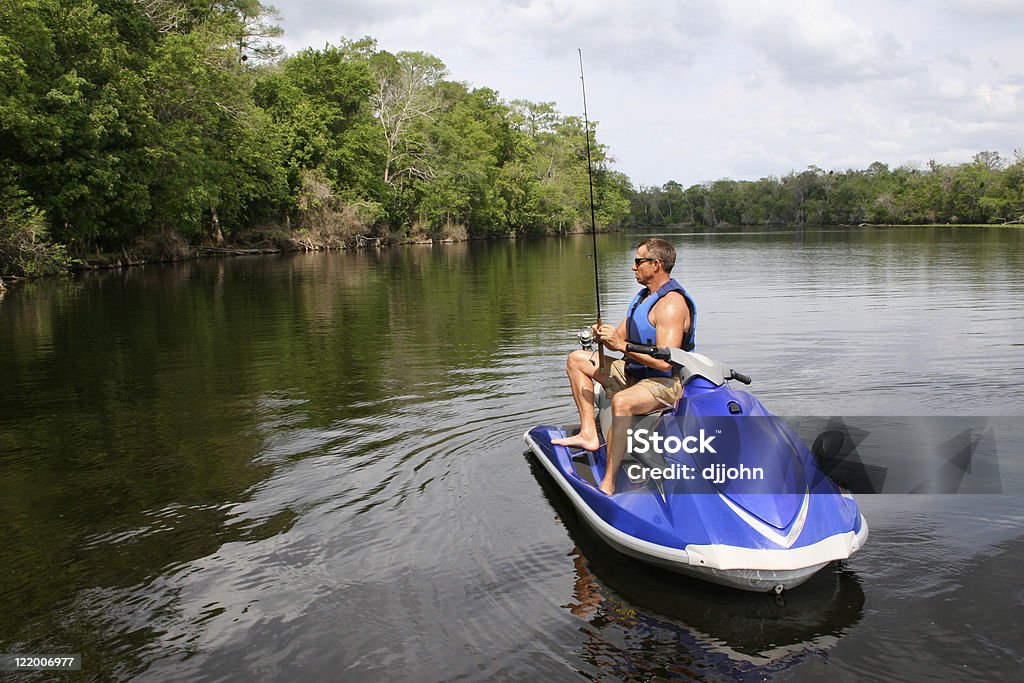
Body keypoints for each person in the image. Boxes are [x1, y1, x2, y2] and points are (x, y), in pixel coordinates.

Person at [552, 237, 696, 495]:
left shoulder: (672, 305)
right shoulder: (644, 298)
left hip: (664, 384)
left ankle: (608, 482)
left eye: (638, 261)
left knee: (622, 402)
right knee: (576, 359)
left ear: (656, 264)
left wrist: (621, 346)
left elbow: (665, 364)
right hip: (633, 373)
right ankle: (588, 433)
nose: (633, 267)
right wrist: (603, 335)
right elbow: (619, 336)